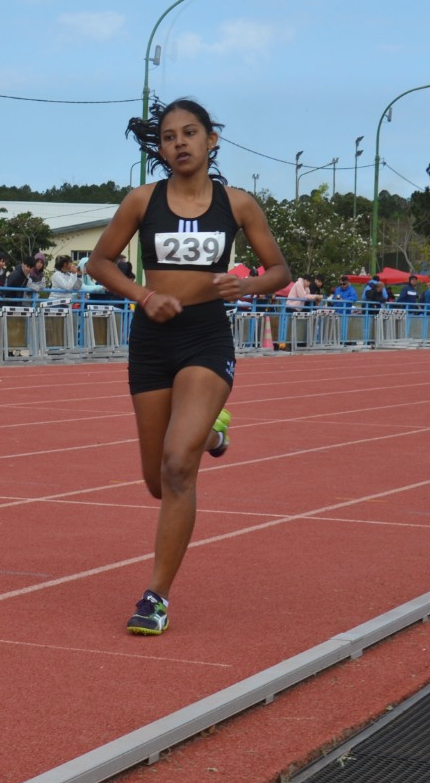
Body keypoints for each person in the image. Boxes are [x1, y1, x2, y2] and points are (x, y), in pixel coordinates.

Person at [85, 98, 289, 636]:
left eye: (190, 132)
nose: (179, 143)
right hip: (152, 339)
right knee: (156, 482)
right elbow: (99, 262)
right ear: (161, 148)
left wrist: (246, 284)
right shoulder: (141, 201)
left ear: (211, 141)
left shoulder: (238, 204)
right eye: (169, 136)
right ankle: (212, 435)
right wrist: (142, 296)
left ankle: (155, 596)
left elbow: (280, 270)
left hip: (205, 336)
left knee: (179, 466)